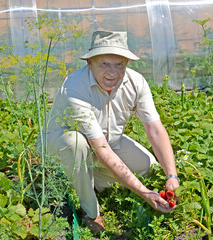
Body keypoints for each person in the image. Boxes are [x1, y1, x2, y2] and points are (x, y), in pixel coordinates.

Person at [37, 30, 180, 233]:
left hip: (106, 144)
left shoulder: (136, 82)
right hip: (60, 144)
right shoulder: (75, 88)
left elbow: (154, 128)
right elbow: (100, 147)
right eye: (104, 64)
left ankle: (87, 176)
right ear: (90, 63)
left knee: (147, 167)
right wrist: (144, 193)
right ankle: (91, 212)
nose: (112, 72)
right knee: (75, 143)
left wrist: (172, 176)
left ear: (127, 63)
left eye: (119, 64)